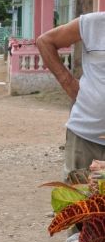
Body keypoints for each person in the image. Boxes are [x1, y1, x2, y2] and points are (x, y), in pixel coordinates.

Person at [36, 13, 105, 176]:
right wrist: (68, 83)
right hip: (86, 137)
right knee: (79, 198)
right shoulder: (93, 23)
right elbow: (45, 41)